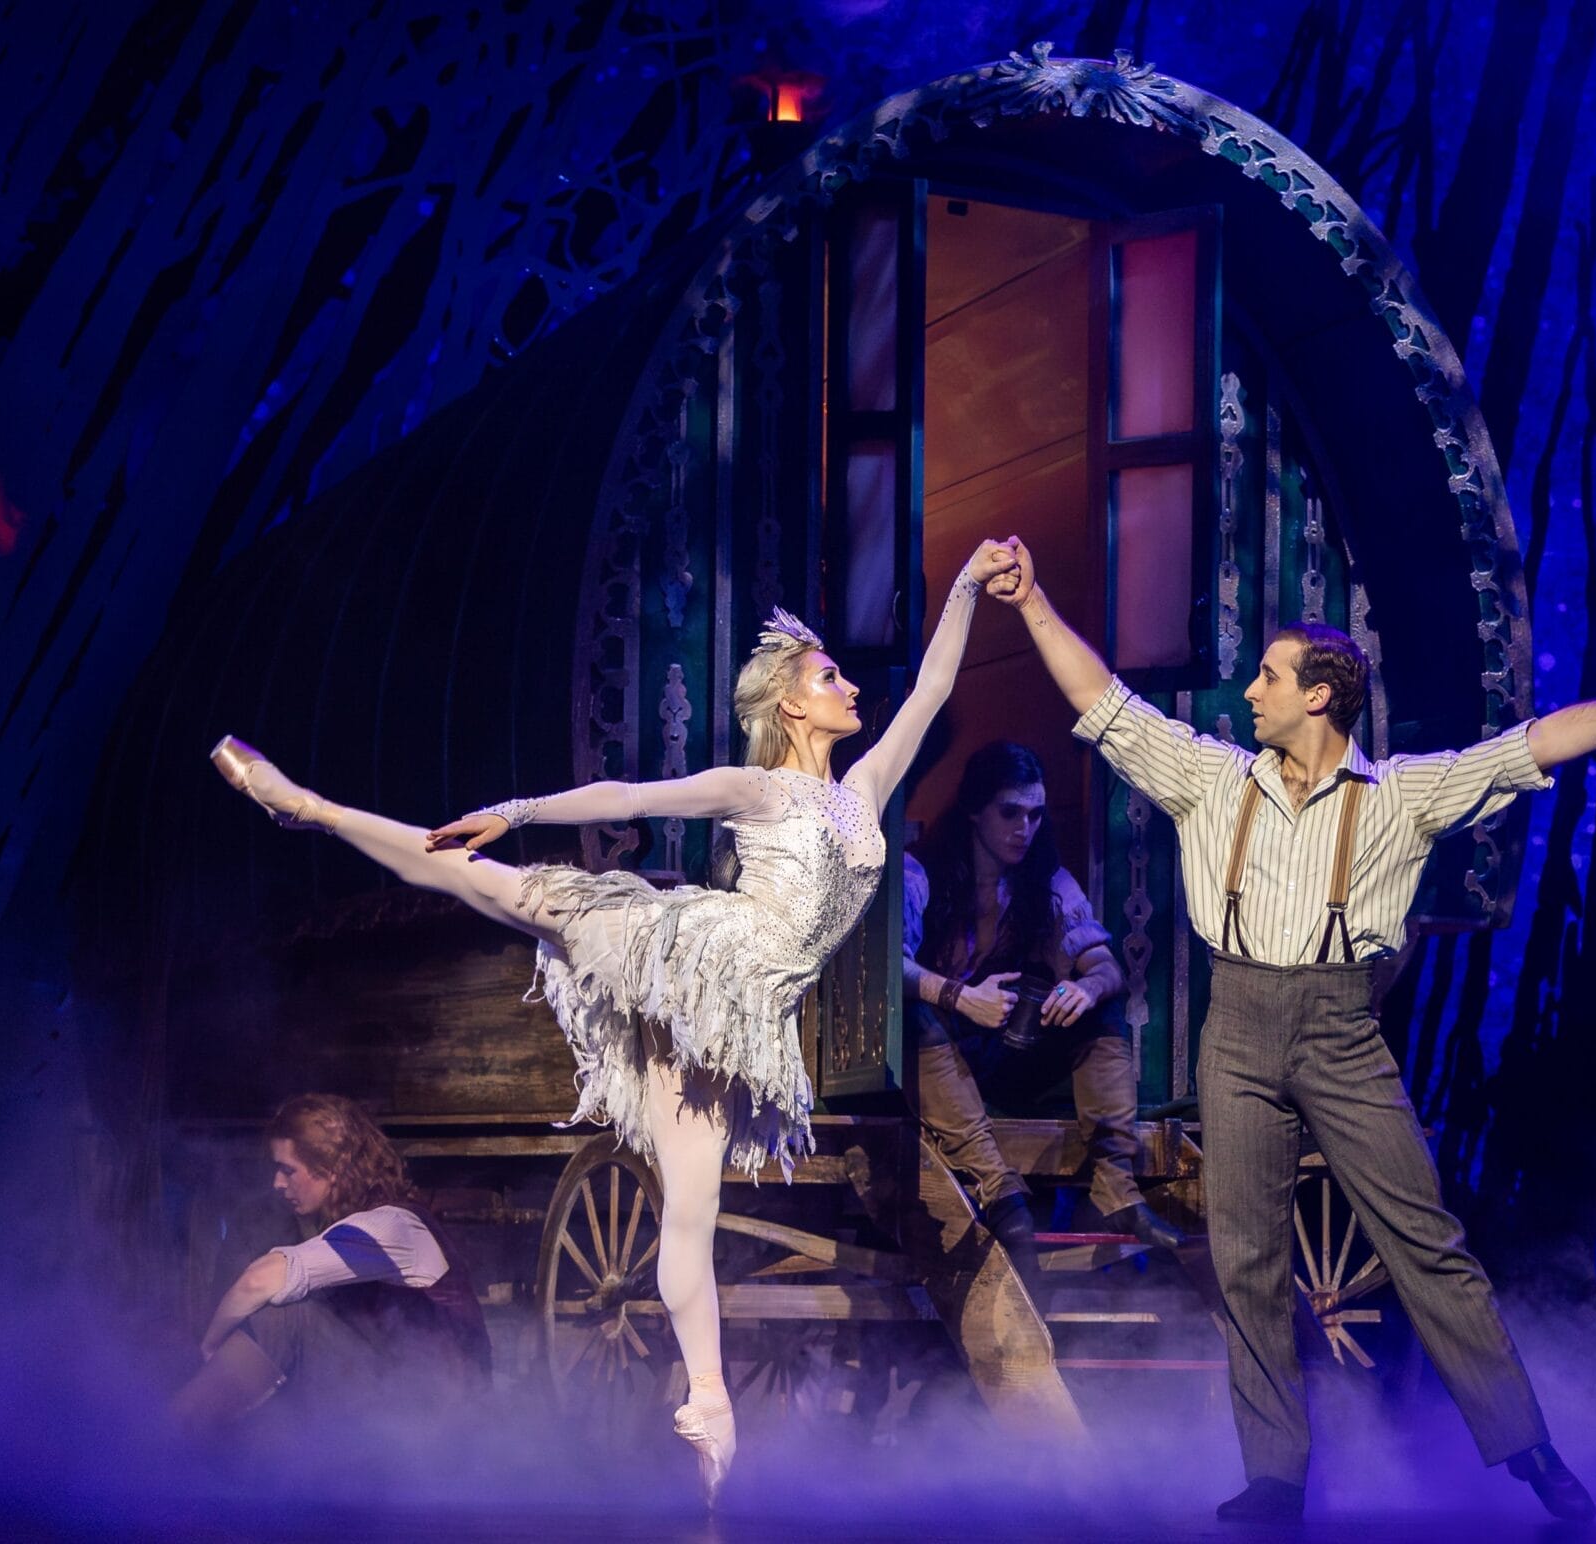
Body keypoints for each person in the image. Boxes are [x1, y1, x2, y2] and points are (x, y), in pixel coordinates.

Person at [209, 539, 1017, 1502]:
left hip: (744, 1018)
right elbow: (632, 794)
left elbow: (932, 686)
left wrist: (967, 581)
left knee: (691, 1210)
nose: (849, 687)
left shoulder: (866, 791)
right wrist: (517, 808)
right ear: (793, 705)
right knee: (503, 890)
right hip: (688, 954)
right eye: (829, 675)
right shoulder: (762, 788)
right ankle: (310, 808)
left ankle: (709, 1411)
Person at [986, 538, 1596, 1524]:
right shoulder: (1213, 778)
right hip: (1237, 1022)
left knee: (1425, 1241)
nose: (1250, 693)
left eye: (1269, 676)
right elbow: (1102, 701)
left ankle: (1527, 1446)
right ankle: (1273, 1474)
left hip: (1340, 1030)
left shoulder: (1403, 793)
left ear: (1320, 695)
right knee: (1247, 1254)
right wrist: (1034, 599)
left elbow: (1539, 741)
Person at [901, 741, 1181, 1261]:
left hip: (1002, 1056)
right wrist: (962, 998)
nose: (1023, 829)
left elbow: (1106, 966)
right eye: (1009, 813)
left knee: (1101, 1007)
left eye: (1034, 815)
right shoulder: (919, 872)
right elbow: (893, 966)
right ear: (974, 811)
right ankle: (1002, 1194)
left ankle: (1117, 1190)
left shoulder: (1045, 880)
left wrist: (1084, 987)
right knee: (911, 1017)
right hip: (934, 1065)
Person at [172, 1094, 491, 1440]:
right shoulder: (350, 1228)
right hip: (395, 1395)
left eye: (288, 1170)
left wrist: (207, 1347)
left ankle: (168, 1439)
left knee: (286, 1317)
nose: (277, 1183)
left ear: (333, 1169)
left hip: (443, 1418)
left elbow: (258, 1281)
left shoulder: (394, 1227)